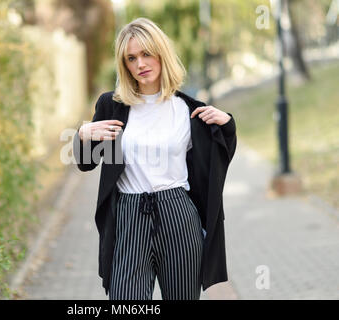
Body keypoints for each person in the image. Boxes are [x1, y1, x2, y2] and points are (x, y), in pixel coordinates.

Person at [73, 17, 237, 300]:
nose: (140, 64)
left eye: (147, 53)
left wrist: (227, 125)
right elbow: (88, 162)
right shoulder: (112, 106)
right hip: (129, 215)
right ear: (124, 64)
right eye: (131, 58)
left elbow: (218, 161)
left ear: (161, 53)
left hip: (178, 216)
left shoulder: (188, 111)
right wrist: (82, 135)